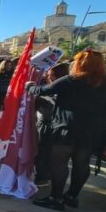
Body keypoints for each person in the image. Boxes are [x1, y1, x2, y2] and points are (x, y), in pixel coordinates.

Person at [28, 50, 106, 210]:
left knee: (59, 163)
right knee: (82, 164)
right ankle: (72, 196)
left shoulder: (72, 80)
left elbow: (44, 90)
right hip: (93, 131)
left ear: (80, 63)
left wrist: (29, 86)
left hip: (66, 128)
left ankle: (56, 199)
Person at [34, 62, 70, 198]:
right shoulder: (68, 87)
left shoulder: (56, 89)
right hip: (55, 127)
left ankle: (42, 178)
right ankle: (46, 177)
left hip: (49, 126)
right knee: (54, 157)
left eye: (50, 74)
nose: (47, 76)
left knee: (44, 153)